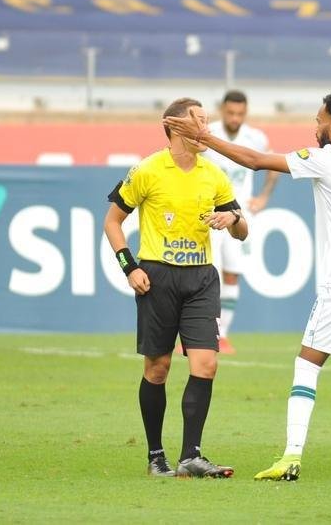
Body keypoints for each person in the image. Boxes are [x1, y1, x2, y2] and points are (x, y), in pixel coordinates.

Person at [164, 91, 331, 484]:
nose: (315, 126)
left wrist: (203, 138)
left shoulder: (326, 160)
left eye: (318, 120)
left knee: (307, 364)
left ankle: (291, 456)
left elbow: (257, 161)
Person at [103, 97, 248, 478]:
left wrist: (232, 217)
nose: (206, 129)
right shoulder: (147, 170)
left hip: (201, 278)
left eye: (207, 121)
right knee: (158, 368)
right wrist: (129, 268)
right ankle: (156, 457)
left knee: (206, 363)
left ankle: (191, 456)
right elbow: (112, 222)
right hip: (157, 278)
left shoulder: (214, 174)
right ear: (174, 126)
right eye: (198, 121)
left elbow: (243, 230)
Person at [204, 90, 279, 354]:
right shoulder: (207, 134)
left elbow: (273, 165)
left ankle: (222, 335)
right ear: (222, 110)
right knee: (206, 275)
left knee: (232, 274)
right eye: (230, 113)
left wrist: (263, 197)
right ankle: (201, 333)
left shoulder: (255, 138)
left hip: (238, 217)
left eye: (239, 113)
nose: (234, 118)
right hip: (209, 216)